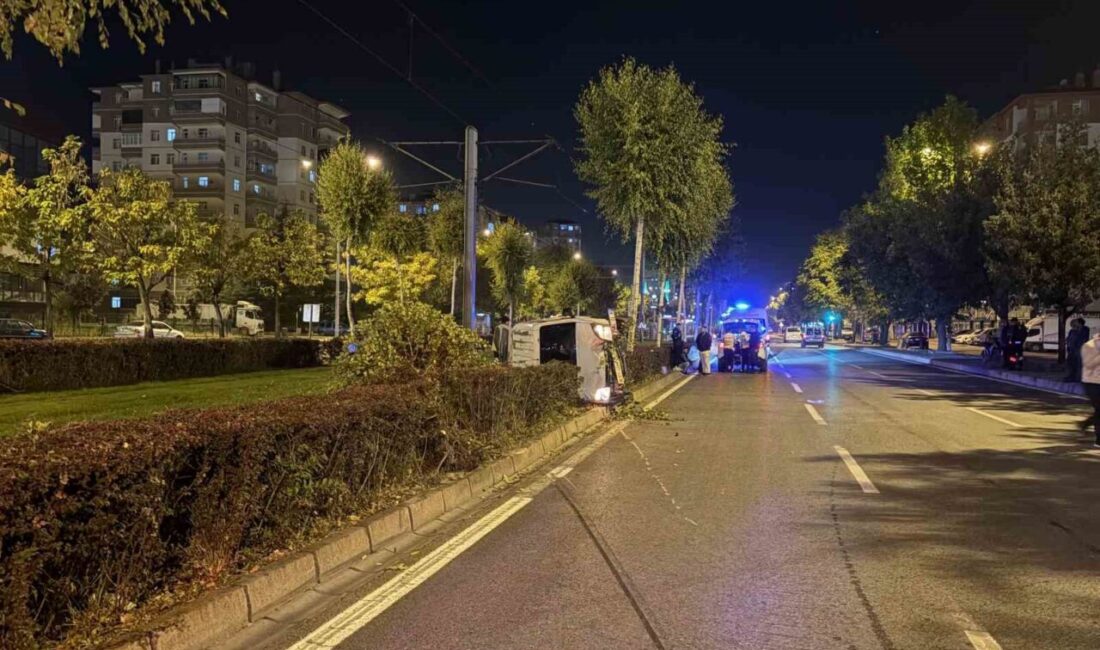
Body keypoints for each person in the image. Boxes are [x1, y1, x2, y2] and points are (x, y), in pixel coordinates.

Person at [1079, 330, 1100, 447]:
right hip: (1092, 382)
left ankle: (1085, 424)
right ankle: (1098, 439)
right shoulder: (1089, 346)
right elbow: (1088, 364)